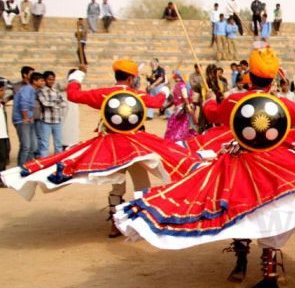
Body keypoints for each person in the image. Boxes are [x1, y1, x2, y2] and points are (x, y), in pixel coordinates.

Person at [115, 45, 295, 288]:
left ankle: (241, 262)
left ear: (250, 78)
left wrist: (211, 100)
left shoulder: (234, 99)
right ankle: (270, 275)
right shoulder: (280, 102)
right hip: (276, 164)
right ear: (272, 79)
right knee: (271, 207)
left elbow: (212, 113)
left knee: (235, 206)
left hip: (238, 163)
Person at [1, 60, 193, 237]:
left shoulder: (104, 93)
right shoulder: (137, 94)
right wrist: (165, 91)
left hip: (110, 146)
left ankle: (116, 223)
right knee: (141, 182)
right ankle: (139, 222)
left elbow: (74, 94)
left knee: (117, 185)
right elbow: (158, 102)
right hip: (137, 146)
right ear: (131, 78)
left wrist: (77, 77)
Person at [12, 72, 41, 165]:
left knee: (33, 146)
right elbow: (23, 104)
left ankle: (28, 166)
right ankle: (21, 168)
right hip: (22, 120)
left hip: (28, 119)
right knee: (26, 146)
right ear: (35, 81)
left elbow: (29, 106)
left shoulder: (32, 90)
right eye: (41, 80)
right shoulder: (27, 89)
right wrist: (25, 117)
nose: (43, 82)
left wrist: (30, 116)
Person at [36, 71, 65, 158]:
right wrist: (56, 103)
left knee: (58, 144)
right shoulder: (41, 91)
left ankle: (58, 163)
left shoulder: (56, 91)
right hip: (45, 121)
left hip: (57, 121)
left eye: (53, 80)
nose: (51, 81)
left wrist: (52, 103)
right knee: (44, 144)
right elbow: (45, 103)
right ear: (45, 80)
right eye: (49, 79)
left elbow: (64, 104)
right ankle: (44, 164)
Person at [0, 82, 9, 178]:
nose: (3, 92)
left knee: (3, 157)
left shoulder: (2, 105)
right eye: (1, 90)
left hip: (3, 135)